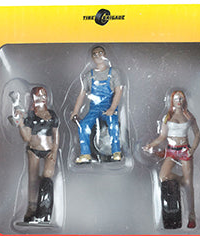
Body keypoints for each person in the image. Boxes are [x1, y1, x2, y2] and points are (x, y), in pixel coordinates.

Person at [142, 90, 200, 228]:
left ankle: (191, 216)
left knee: (189, 185)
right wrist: (150, 145)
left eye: (181, 98)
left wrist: (192, 149)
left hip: (185, 150)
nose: (179, 101)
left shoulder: (189, 116)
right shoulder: (167, 117)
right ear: (172, 101)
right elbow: (162, 137)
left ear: (184, 100)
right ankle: (182, 181)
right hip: (171, 150)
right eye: (176, 99)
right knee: (163, 176)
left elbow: (198, 135)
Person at [10, 86, 59, 223]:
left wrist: (54, 151)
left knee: (47, 175)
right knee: (33, 180)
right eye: (38, 95)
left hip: (49, 150)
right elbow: (26, 137)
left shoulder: (52, 114)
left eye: (44, 95)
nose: (41, 98)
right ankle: (32, 208)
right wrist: (20, 123)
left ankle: (44, 205)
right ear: (33, 97)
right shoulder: (31, 116)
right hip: (33, 149)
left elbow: (56, 135)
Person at [70, 46, 124, 164]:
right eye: (95, 54)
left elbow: (119, 91)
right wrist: (75, 111)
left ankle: (116, 152)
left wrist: (112, 108)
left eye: (100, 53)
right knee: (83, 125)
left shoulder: (113, 73)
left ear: (105, 55)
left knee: (113, 124)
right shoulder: (89, 75)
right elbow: (82, 94)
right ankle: (85, 154)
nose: (98, 56)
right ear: (92, 58)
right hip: (94, 109)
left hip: (108, 107)